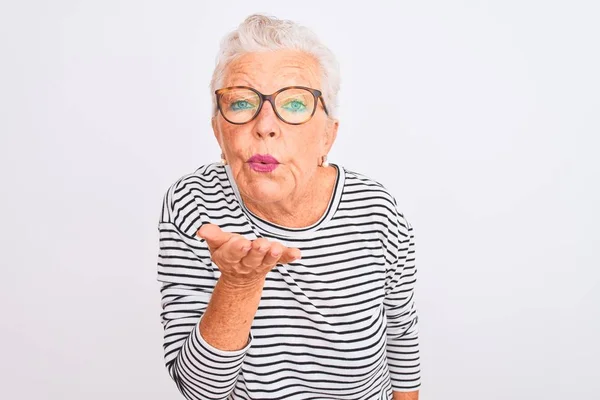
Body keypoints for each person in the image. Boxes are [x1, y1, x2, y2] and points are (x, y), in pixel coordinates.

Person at [157, 13, 421, 400]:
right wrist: (238, 282)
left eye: (295, 104)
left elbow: (401, 334)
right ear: (218, 129)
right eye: (242, 102)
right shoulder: (193, 202)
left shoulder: (377, 211)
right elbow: (201, 391)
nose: (265, 125)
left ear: (327, 136)